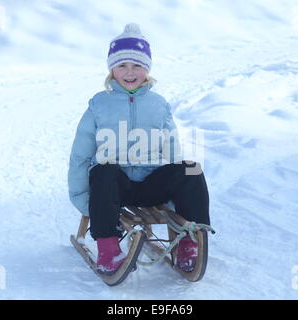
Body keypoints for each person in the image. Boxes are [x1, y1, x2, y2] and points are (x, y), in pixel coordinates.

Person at [68, 23, 210, 275]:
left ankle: (189, 239)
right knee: (104, 169)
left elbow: (172, 150)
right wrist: (82, 199)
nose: (130, 72)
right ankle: (108, 247)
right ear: (112, 69)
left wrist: (179, 198)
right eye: (122, 65)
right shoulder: (99, 105)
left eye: (137, 65)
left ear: (147, 69)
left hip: (150, 185)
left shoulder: (158, 105)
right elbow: (80, 155)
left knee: (190, 169)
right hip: (114, 189)